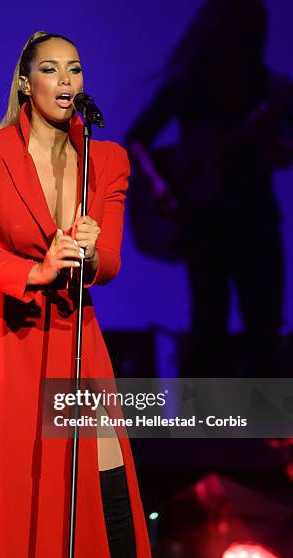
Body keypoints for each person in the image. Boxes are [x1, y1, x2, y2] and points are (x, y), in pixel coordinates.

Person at [0, 31, 159, 558]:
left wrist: (90, 249)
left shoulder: (107, 159)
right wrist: (41, 268)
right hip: (0, 339)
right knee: (9, 494)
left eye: (74, 69)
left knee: (103, 464)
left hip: (75, 335)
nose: (66, 81)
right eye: (51, 70)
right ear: (26, 84)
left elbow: (110, 265)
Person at [125, 0, 293, 377]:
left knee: (263, 321)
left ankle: (265, 428)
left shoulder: (273, 90)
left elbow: (284, 154)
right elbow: (137, 138)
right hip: (204, 221)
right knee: (208, 321)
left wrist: (268, 138)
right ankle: (205, 426)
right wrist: (160, 187)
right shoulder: (188, 86)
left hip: (256, 217)